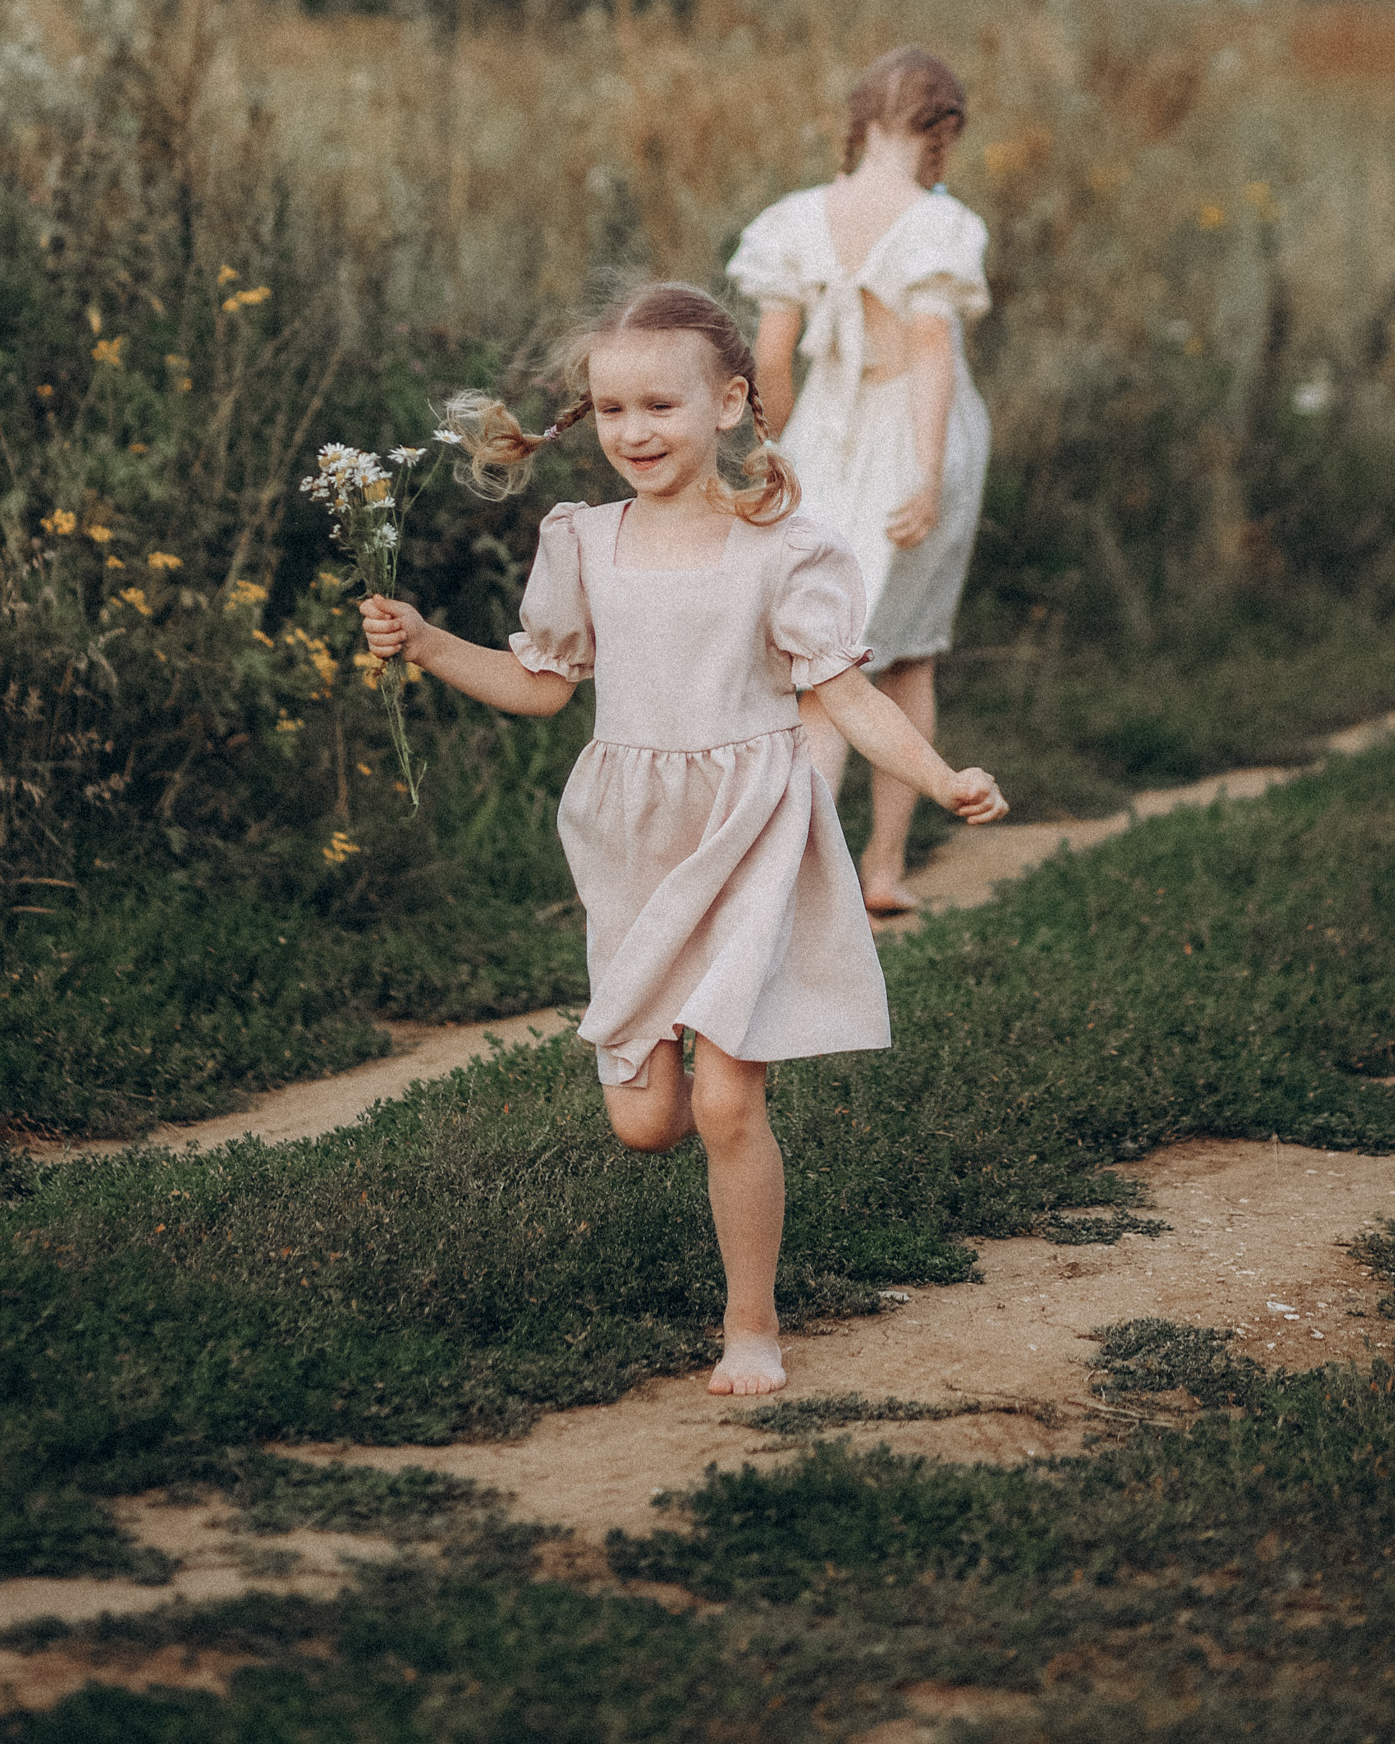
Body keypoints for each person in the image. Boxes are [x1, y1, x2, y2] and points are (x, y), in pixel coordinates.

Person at [357, 280, 1005, 1399]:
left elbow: (843, 698)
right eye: (611, 410)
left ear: (729, 404)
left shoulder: (779, 547)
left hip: (754, 823)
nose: (634, 431)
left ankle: (748, 1322)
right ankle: (653, 1071)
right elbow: (540, 687)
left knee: (723, 1102)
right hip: (632, 839)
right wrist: (426, 642)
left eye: (660, 404)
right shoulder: (581, 541)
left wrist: (939, 775)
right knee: (647, 1120)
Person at [727, 48, 991, 919]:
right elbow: (928, 349)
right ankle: (874, 864)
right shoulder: (937, 224)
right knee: (900, 652)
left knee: (823, 655)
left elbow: (771, 352)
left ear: (859, 119)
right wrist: (924, 475)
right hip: (907, 429)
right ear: (940, 129)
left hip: (822, 437)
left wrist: (772, 448)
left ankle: (813, 871)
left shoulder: (794, 219)